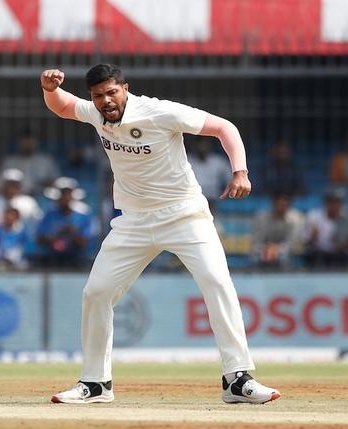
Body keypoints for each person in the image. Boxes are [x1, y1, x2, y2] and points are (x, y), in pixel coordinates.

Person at [41, 63, 279, 404]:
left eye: (111, 92)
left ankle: (237, 380)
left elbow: (224, 128)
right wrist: (49, 89)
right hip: (133, 221)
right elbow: (63, 106)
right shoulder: (96, 113)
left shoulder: (159, 111)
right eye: (97, 96)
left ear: (125, 88)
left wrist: (239, 171)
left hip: (185, 215)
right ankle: (96, 384)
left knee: (217, 283)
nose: (105, 101)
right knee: (96, 293)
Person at [36, 177, 93, 268]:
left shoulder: (83, 214)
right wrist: (55, 238)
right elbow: (39, 238)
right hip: (52, 260)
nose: (65, 198)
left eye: (68, 194)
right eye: (63, 194)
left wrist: (71, 233)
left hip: (78, 260)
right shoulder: (50, 213)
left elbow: (84, 241)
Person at [0, 129, 59, 196]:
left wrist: (46, 183)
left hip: (41, 196)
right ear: (18, 142)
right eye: (24, 141)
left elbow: (56, 182)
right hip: (15, 197)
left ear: (36, 142)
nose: (28, 144)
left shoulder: (46, 160)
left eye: (30, 141)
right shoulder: (9, 161)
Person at [250, 194, 304, 269]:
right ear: (274, 203)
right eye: (279, 204)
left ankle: (286, 277)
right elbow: (256, 240)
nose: (281, 208)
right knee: (255, 255)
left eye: (284, 205)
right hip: (264, 250)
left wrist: (277, 249)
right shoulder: (261, 217)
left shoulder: (296, 219)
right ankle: (256, 278)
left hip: (285, 251)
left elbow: (292, 242)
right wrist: (266, 249)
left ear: (289, 205)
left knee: (284, 256)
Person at [302, 188, 348, 268]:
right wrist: (312, 236)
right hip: (318, 254)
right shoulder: (314, 216)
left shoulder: (346, 217)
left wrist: (346, 243)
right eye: (331, 201)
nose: (334, 205)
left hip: (338, 254)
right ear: (325, 202)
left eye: (338, 202)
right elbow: (305, 241)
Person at [187, 136, 231, 211]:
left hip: (214, 199)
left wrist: (225, 194)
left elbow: (230, 179)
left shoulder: (218, 161)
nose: (201, 147)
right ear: (194, 145)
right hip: (192, 198)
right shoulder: (187, 160)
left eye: (204, 144)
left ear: (209, 145)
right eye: (199, 144)